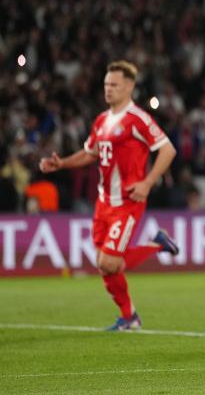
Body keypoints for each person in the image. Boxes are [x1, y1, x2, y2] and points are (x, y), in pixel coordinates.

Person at [38, 61, 178, 330]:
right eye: (106, 84)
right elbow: (90, 153)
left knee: (109, 261)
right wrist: (63, 163)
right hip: (104, 202)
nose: (108, 89)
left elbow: (168, 150)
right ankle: (129, 316)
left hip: (128, 201)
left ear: (129, 86)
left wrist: (148, 183)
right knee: (105, 266)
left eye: (114, 85)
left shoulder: (138, 119)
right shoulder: (102, 120)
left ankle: (158, 245)